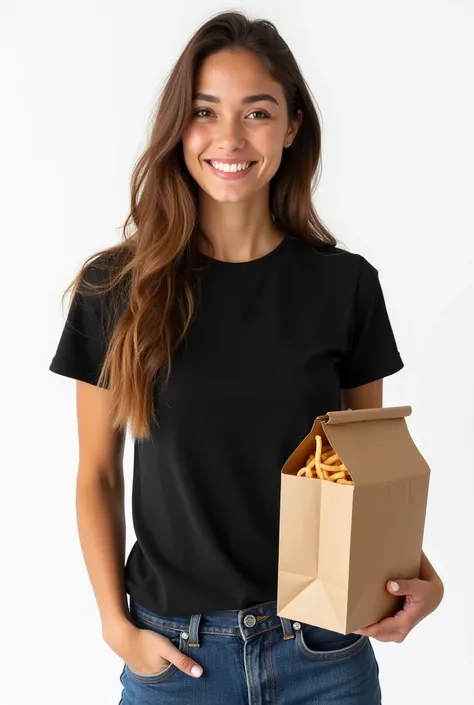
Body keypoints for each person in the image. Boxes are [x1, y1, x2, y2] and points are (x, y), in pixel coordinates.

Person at [49, 10, 444, 705]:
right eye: (205, 111)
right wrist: (117, 627)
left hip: (323, 651)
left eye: (256, 112)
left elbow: (363, 480)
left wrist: (423, 578)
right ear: (179, 125)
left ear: (292, 127)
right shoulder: (115, 291)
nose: (230, 137)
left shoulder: (345, 286)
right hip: (176, 658)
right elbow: (99, 476)